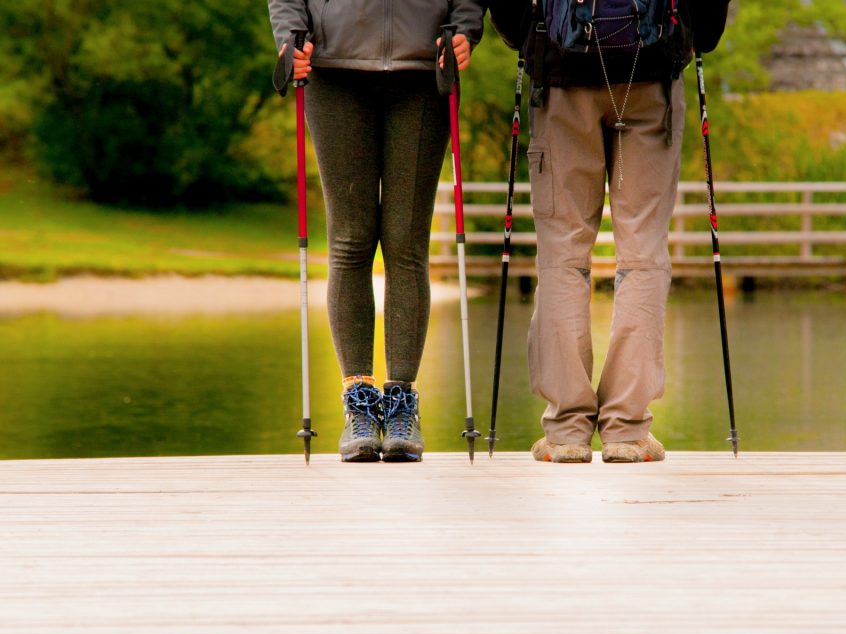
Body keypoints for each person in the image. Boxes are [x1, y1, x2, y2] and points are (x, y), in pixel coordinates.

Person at [489, 2, 728, 463]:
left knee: (563, 254)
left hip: (562, 76)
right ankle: (626, 429)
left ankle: (566, 432)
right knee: (642, 253)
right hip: (653, 74)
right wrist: (701, 35)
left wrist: (531, 37)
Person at [268, 0, 485, 462]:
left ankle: (402, 402)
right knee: (350, 240)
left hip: (424, 69)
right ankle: (360, 405)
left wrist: (466, 27)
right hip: (333, 69)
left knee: (406, 243)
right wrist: (290, 35)